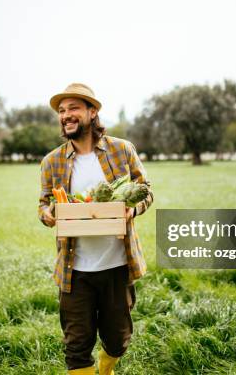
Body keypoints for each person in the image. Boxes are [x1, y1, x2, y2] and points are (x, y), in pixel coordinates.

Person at [38, 83, 153, 375]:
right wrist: (48, 214)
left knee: (118, 340)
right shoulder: (52, 162)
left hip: (116, 265)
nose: (66, 115)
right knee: (76, 346)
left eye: (73, 108)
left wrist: (132, 208)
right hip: (74, 269)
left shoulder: (121, 150)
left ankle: (106, 366)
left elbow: (146, 191)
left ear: (92, 112)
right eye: (62, 111)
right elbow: (43, 204)